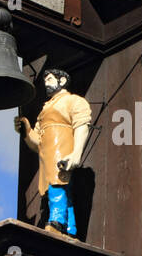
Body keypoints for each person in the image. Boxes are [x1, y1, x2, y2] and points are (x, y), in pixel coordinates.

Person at [14, 68, 91, 238]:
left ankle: (57, 222)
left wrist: (76, 154)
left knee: (57, 185)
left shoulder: (73, 101)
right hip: (47, 154)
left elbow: (81, 126)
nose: (46, 84)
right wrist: (26, 130)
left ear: (62, 81)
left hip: (61, 149)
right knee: (61, 188)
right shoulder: (45, 110)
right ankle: (70, 228)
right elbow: (37, 142)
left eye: (49, 79)